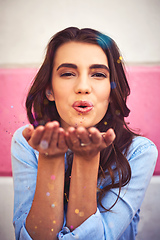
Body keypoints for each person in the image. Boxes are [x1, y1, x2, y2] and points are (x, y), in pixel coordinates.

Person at [11, 27, 158, 240]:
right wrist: (50, 160)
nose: (82, 87)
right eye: (68, 73)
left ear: (111, 90)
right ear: (49, 90)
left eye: (98, 74)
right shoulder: (29, 143)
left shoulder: (139, 152)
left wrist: (86, 160)